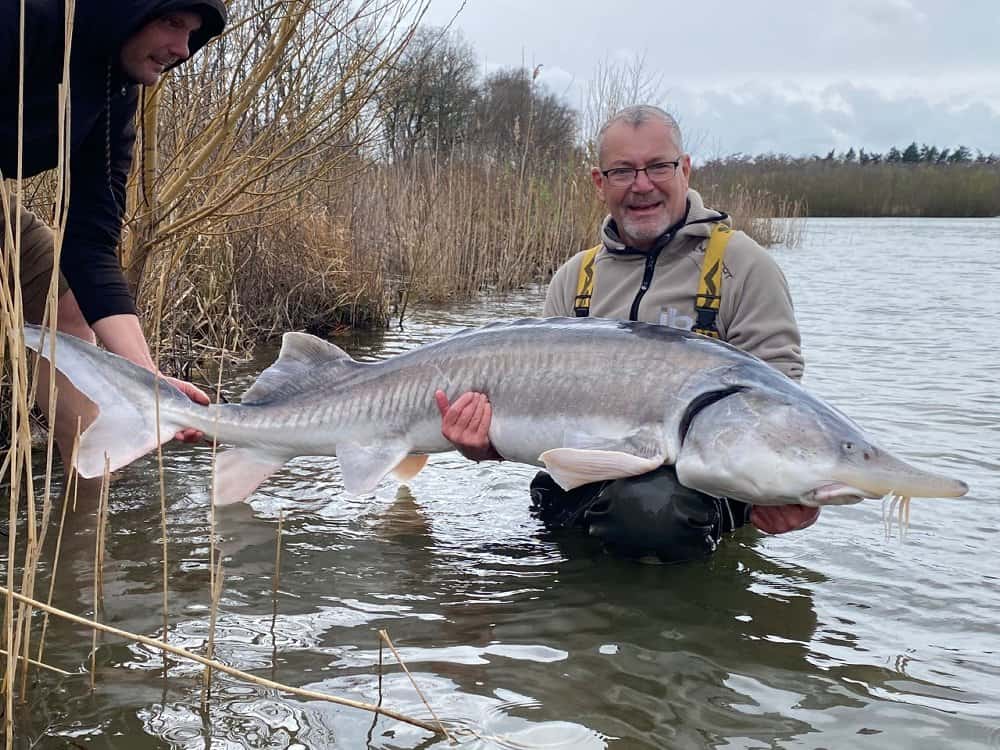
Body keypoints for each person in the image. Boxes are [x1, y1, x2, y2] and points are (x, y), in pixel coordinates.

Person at [436, 105, 818, 562]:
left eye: (658, 166)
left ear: (685, 169)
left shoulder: (743, 266)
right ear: (600, 183)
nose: (642, 185)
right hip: (581, 487)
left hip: (691, 499)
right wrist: (482, 446)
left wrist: (795, 491)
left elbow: (779, 406)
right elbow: (538, 425)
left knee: (651, 508)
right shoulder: (575, 277)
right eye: (623, 171)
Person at [1, 0, 227, 462]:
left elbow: (89, 244)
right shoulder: (24, 20)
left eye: (192, 33)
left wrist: (147, 382)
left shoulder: (113, 91)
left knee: (62, 299)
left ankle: (87, 511)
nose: (182, 48)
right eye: (172, 22)